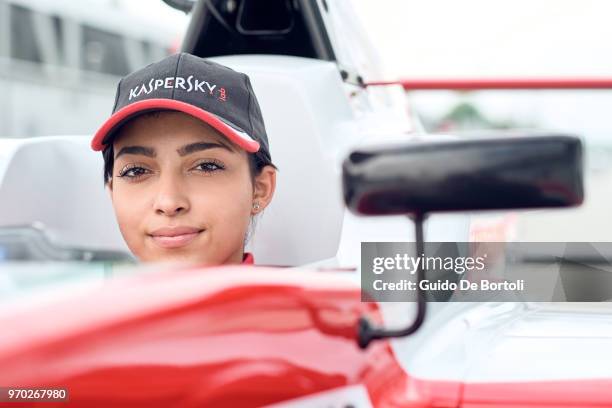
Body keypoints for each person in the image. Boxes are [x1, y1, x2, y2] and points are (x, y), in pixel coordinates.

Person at [90, 53, 276, 266]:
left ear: (260, 188)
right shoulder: (65, 296)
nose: (169, 203)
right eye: (136, 171)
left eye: (207, 166)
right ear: (112, 192)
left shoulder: (308, 298)